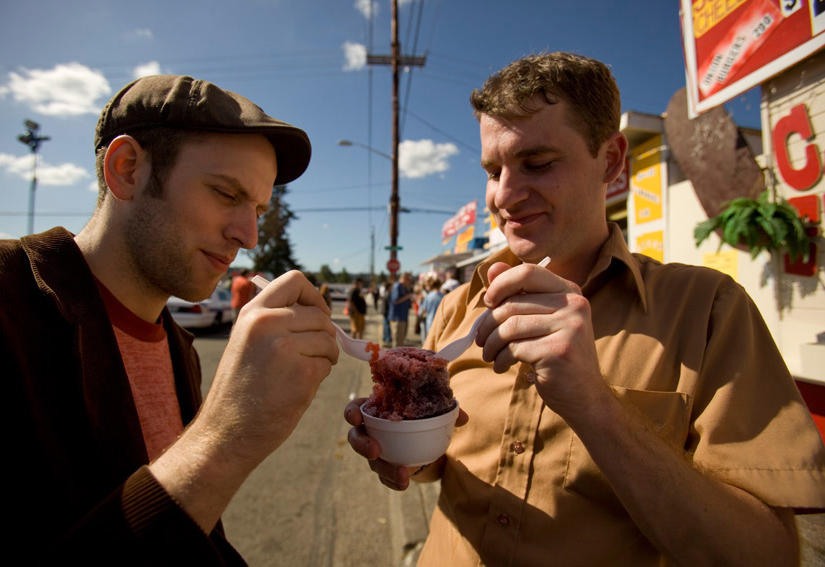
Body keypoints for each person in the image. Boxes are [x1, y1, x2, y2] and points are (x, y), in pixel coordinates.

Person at [345, 52, 825, 565]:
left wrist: (594, 404)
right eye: (492, 170)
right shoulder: (462, 305)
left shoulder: (709, 311)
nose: (503, 195)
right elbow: (443, 465)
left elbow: (768, 555)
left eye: (538, 163)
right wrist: (405, 448)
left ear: (612, 161)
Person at [0, 74, 340, 565]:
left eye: (258, 208)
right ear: (126, 169)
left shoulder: (179, 349)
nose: (249, 236)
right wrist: (223, 439)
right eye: (226, 193)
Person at [388, 272, 414, 348]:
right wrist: (408, 296)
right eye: (409, 279)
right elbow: (395, 300)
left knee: (400, 341)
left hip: (401, 317)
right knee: (397, 341)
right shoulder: (397, 286)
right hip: (397, 318)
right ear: (404, 278)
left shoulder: (402, 287)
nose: (410, 282)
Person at [418, 276, 443, 343]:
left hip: (430, 321)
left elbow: (423, 310)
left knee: (430, 341)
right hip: (440, 322)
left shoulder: (429, 296)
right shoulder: (444, 296)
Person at [380, 277, 394, 346]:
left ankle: (385, 338)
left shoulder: (386, 292)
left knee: (385, 325)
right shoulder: (388, 293)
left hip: (384, 311)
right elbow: (389, 304)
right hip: (386, 311)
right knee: (387, 325)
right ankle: (387, 339)